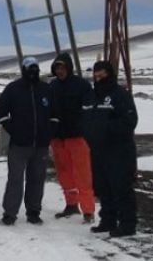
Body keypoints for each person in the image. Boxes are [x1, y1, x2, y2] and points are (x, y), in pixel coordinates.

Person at [0, 56, 59, 226]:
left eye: (36, 68)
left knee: (37, 179)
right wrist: (15, 131)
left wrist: (48, 132)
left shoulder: (46, 89)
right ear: (24, 69)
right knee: (15, 179)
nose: (33, 71)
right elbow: (1, 114)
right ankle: (9, 214)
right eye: (30, 68)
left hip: (40, 145)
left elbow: (55, 114)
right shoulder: (13, 89)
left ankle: (33, 212)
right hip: (19, 145)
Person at [81, 60, 139, 237]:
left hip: (119, 150)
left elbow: (130, 121)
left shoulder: (120, 94)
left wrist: (106, 129)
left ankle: (128, 224)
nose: (99, 78)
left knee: (121, 187)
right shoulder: (91, 95)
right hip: (97, 150)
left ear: (110, 74)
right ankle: (108, 220)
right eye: (96, 75)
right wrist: (88, 133)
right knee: (102, 187)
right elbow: (83, 117)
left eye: (102, 74)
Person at [49, 53, 95, 223]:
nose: (60, 71)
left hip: (77, 137)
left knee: (83, 174)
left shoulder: (81, 85)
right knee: (64, 173)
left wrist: (84, 126)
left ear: (69, 67)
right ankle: (71, 204)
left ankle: (88, 210)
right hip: (58, 137)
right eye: (57, 68)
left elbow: (89, 109)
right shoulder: (52, 86)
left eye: (62, 67)